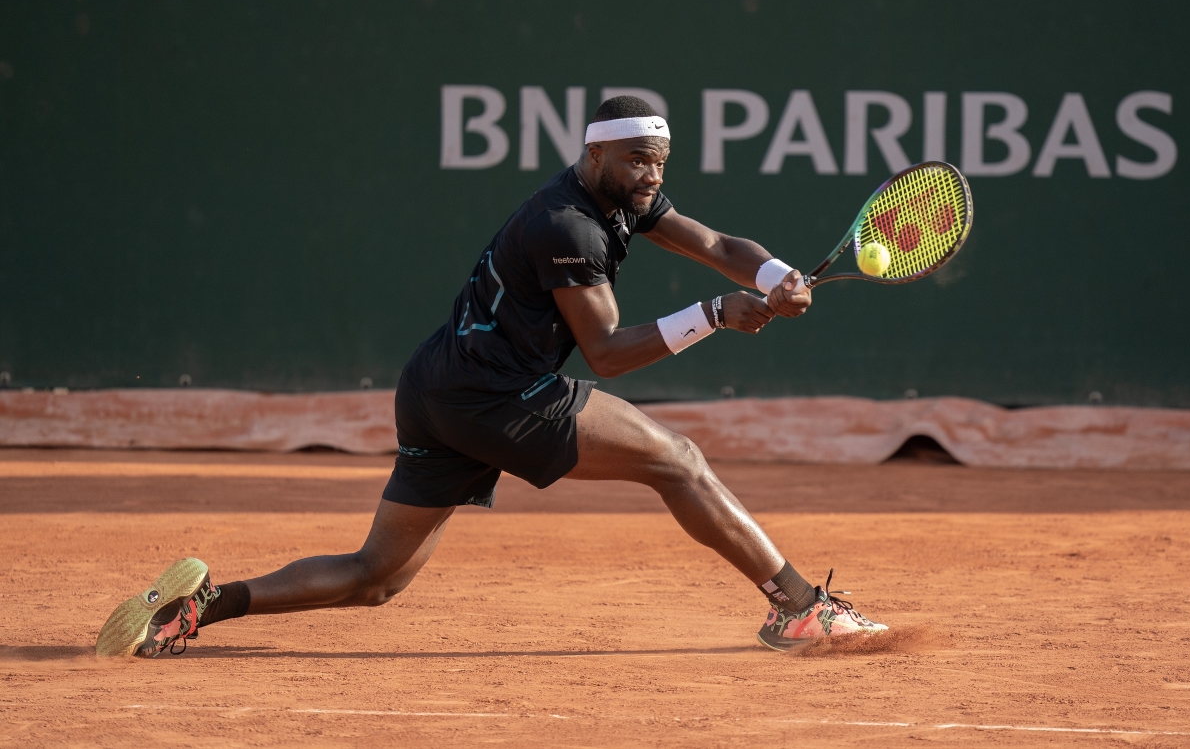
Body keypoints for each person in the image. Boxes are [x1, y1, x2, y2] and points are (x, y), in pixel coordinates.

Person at [96, 96, 886, 658]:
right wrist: (716, 315)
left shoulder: (620, 197)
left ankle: (197, 608)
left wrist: (777, 273)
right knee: (676, 460)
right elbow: (607, 352)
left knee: (376, 578)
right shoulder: (566, 224)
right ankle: (801, 608)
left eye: (661, 161)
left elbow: (715, 243)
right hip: (495, 397)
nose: (652, 175)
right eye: (638, 160)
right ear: (594, 154)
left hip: (440, 388)